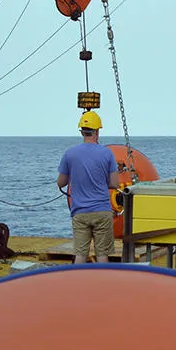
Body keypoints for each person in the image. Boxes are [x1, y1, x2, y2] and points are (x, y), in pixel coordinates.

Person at [57, 111, 119, 264]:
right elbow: (115, 183)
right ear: (97, 132)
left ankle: (78, 285)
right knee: (102, 254)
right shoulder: (107, 153)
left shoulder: (69, 153)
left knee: (80, 254)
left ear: (82, 132)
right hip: (102, 212)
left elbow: (61, 183)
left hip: (80, 212)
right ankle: (102, 285)